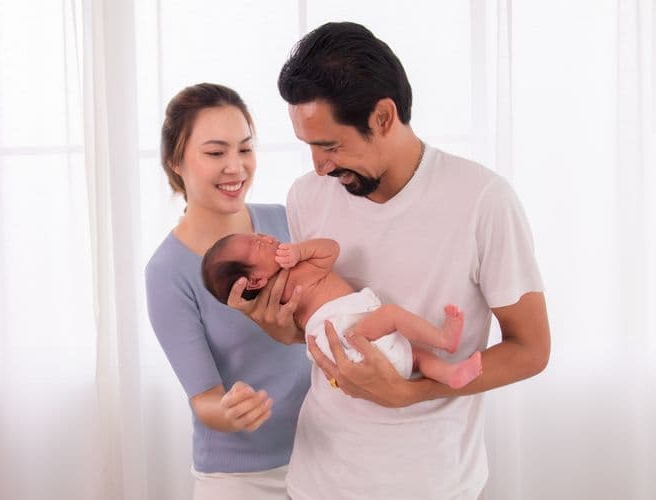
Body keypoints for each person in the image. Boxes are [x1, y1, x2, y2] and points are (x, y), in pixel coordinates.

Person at [226, 22, 551, 499]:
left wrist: (412, 393)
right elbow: (330, 317)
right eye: (309, 147)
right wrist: (285, 331)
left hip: (432, 484)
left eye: (330, 146)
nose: (318, 166)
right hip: (318, 481)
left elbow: (531, 349)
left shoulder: (482, 200)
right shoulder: (307, 198)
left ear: (382, 117)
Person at [144, 83, 310, 500]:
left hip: (324, 457)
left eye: (245, 149)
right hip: (241, 480)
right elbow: (205, 400)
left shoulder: (288, 222)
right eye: (216, 153)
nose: (236, 167)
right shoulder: (167, 271)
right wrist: (232, 413)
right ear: (175, 162)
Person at [202, 233, 482, 388]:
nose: (265, 236)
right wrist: (300, 251)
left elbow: (293, 332)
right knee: (393, 317)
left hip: (343, 354)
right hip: (346, 336)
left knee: (413, 357)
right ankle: (444, 340)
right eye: (258, 244)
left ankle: (450, 375)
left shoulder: (278, 304)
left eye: (257, 234)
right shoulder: (296, 271)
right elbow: (330, 250)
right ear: (255, 280)